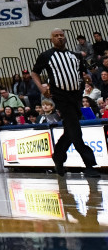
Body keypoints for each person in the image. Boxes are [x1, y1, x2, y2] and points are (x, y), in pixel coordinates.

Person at [32, 27, 101, 176]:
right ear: (51, 39)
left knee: (70, 132)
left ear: (66, 38)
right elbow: (34, 72)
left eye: (62, 35)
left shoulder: (75, 55)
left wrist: (86, 78)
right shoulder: (46, 56)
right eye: (56, 36)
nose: (60, 38)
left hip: (76, 96)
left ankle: (58, 158)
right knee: (76, 132)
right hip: (60, 97)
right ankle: (89, 165)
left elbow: (82, 73)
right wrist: (41, 88)